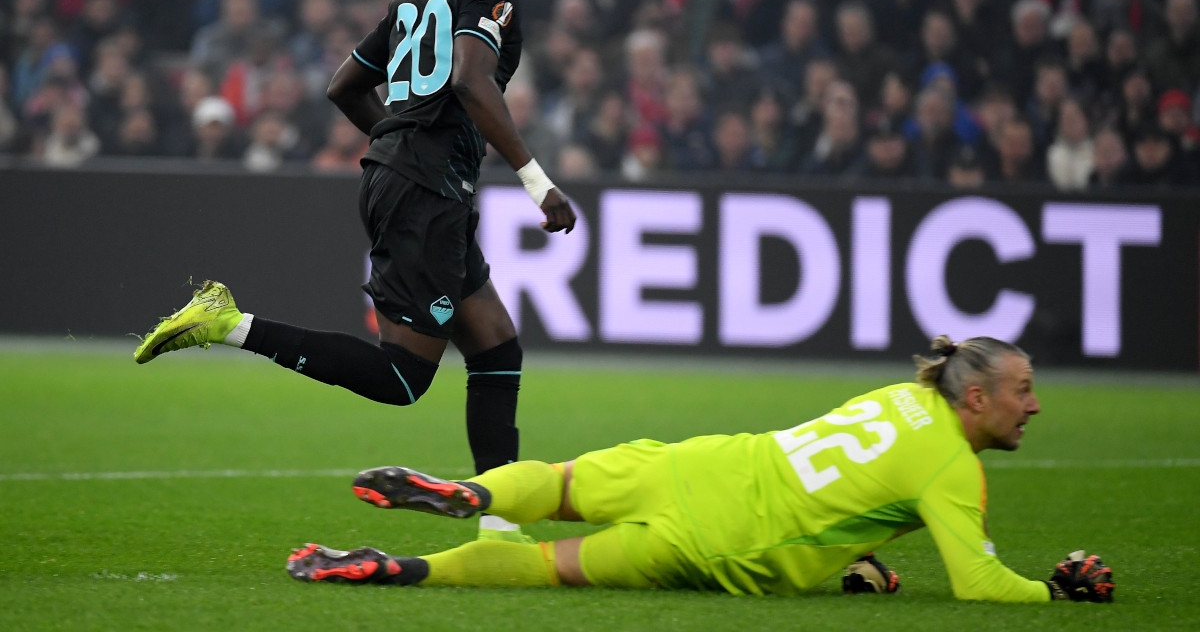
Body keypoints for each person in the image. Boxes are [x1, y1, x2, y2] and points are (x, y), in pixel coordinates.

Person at [133, 0, 576, 544]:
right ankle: (228, 324)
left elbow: (343, 86)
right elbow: (469, 80)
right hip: (424, 194)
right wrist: (537, 182)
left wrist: (400, 143)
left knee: (495, 346)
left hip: (412, 184)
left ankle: (502, 527)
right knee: (401, 378)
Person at [285, 336, 1114, 604]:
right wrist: (1056, 591)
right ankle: (407, 569)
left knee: (557, 481)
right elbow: (977, 584)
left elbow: (849, 484)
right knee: (547, 564)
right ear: (976, 402)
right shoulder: (951, 469)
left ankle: (468, 490)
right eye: (1023, 390)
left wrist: (854, 556)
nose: (1033, 405)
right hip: (718, 542)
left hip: (700, 462)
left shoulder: (903, 395)